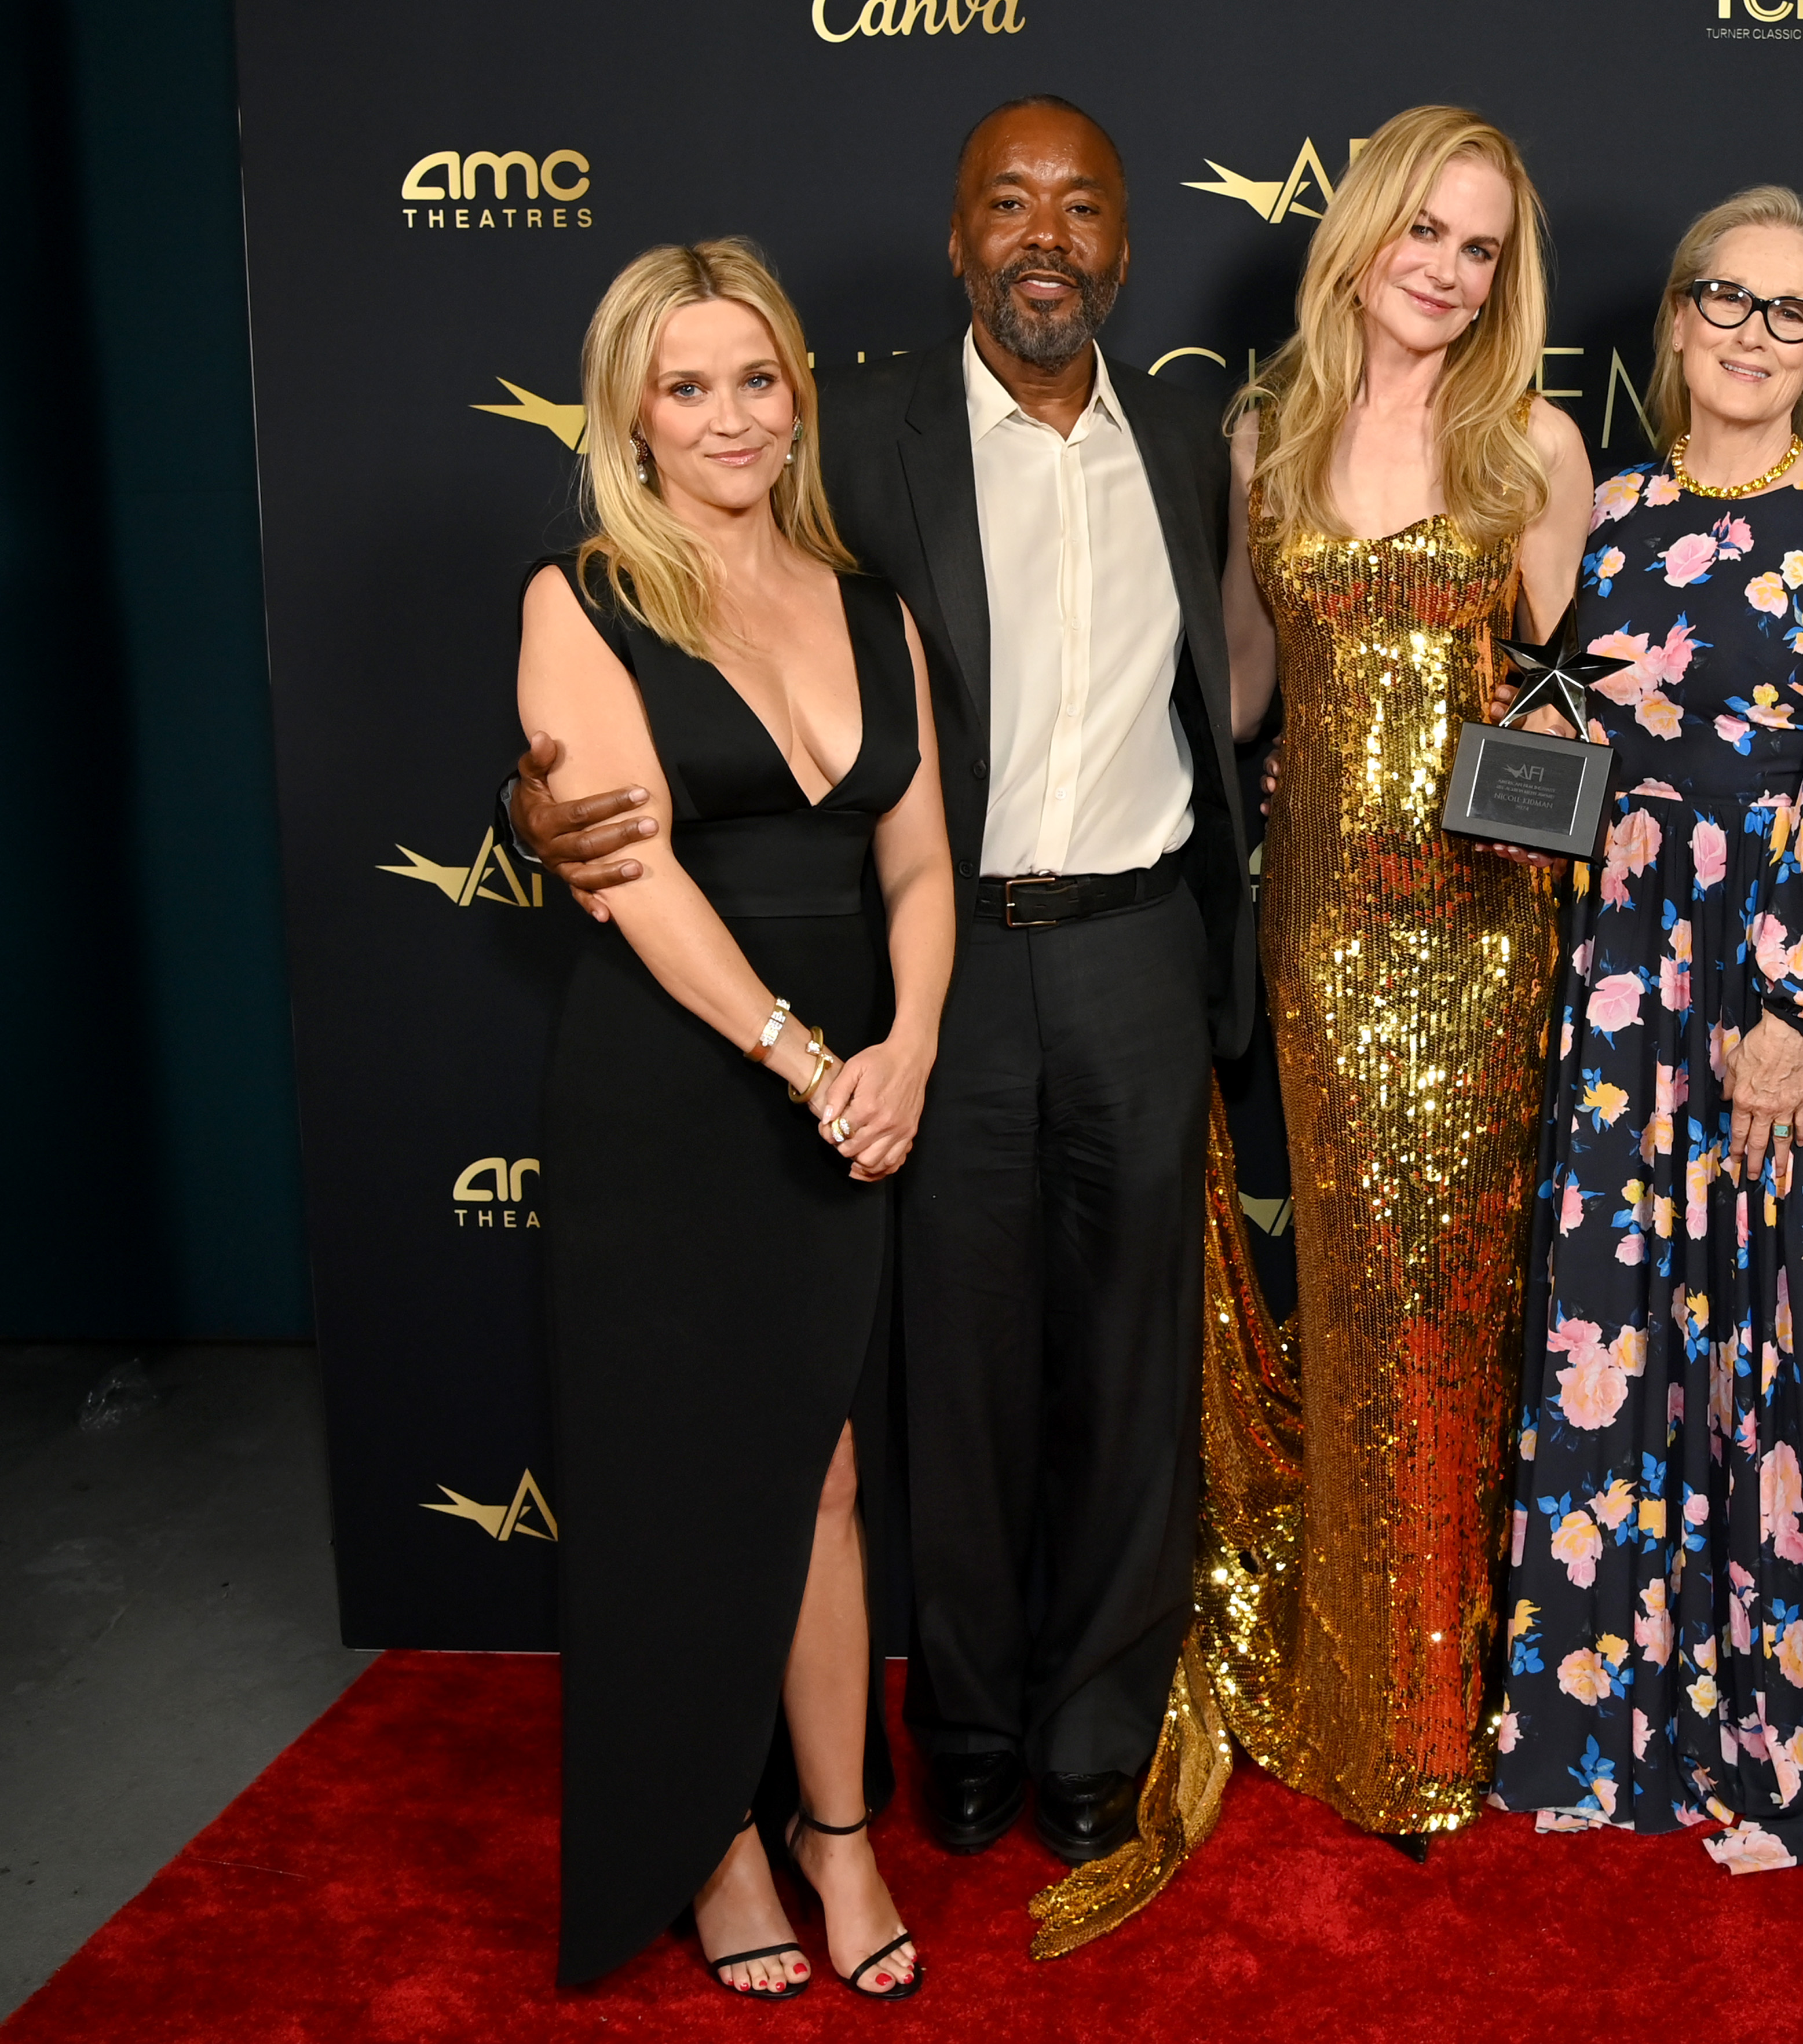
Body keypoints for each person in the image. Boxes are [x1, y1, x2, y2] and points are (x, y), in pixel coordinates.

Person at [513, 98, 1254, 1877]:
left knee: (1132, 1370)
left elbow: (1250, 668)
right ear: (955, 240)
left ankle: (1098, 1726)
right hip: (949, 971)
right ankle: (976, 1725)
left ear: (1128, 248)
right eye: (1009, 203)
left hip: (1144, 943)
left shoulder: (1186, 430)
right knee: (959, 1375)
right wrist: (533, 799)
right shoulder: (854, 434)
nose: (1046, 236)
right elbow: (681, 632)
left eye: (1084, 207)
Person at [1489, 186, 1803, 1872]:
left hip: (1774, 1002)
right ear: (1679, 316)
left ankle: (1789, 1714)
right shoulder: (1608, 511)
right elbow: (1546, 735)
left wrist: (1792, 1004)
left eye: (1793, 313)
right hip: (1624, 985)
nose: (1754, 336)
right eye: (1728, 298)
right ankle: (1624, 1711)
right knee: (1627, 1325)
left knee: (1780, 1339)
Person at [520, 238, 948, 1997]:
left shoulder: (872, 605)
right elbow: (630, 879)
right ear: (631, 406)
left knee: (826, 1476)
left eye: (755, 378)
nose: (728, 417)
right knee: (678, 1482)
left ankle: (835, 1832)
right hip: (680, 1088)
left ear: (799, 391)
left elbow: (917, 854)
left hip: (855, 1086)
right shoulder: (581, 596)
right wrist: (805, 1054)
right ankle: (705, 1838)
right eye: (686, 385)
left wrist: (910, 1042)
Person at [1210, 104, 1591, 1853]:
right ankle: (1368, 1673)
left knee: (1461, 1307)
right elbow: (1232, 686)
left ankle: (1451, 1701)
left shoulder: (1535, 446)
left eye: (1481, 246)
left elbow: (1566, 711)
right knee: (1360, 1301)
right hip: (1318, 936)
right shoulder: (1263, 437)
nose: (1444, 269)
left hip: (1481, 936)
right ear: (1358, 232)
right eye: (1422, 231)